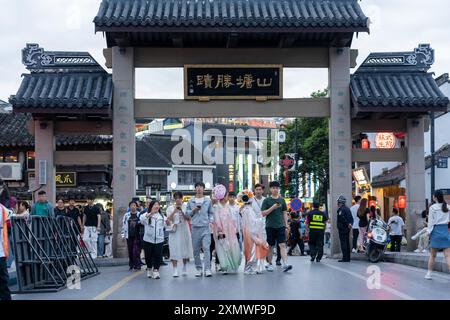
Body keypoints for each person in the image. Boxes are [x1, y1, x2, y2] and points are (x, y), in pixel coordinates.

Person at [261, 181, 292, 272]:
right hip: (270, 226)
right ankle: (269, 264)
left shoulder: (282, 200)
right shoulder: (266, 200)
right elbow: (263, 213)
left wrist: (286, 225)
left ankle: (285, 263)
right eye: (273, 188)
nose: (275, 189)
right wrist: (273, 207)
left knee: (282, 244)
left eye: (276, 188)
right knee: (270, 246)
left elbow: (284, 213)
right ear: (270, 189)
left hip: (280, 226)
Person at [211, 185, 242, 274]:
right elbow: (217, 220)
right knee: (223, 248)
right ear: (223, 196)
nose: (228, 197)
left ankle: (232, 265)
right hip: (222, 231)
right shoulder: (217, 207)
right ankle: (225, 266)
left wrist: (235, 228)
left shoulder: (227, 206)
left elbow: (231, 219)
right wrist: (220, 231)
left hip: (231, 231)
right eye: (227, 195)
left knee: (233, 247)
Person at [186, 182, 214, 277]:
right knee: (196, 250)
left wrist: (210, 221)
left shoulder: (208, 200)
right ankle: (199, 269)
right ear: (195, 189)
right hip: (195, 227)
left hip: (205, 227)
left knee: (206, 248)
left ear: (204, 189)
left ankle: (207, 269)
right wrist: (193, 210)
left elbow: (211, 213)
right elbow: (187, 214)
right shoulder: (190, 201)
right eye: (197, 187)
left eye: (201, 187)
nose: (199, 188)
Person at [240, 190, 269, 275]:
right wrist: (261, 220)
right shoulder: (249, 210)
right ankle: (250, 268)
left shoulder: (244, 209)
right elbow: (253, 222)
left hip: (246, 231)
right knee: (252, 250)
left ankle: (249, 267)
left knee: (249, 249)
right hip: (251, 232)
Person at [166, 191, 194, 277]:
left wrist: (181, 211)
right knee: (174, 248)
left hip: (184, 229)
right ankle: (175, 269)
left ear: (182, 198)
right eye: (176, 198)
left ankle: (184, 267)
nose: (178, 200)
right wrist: (174, 211)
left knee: (184, 247)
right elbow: (168, 220)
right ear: (174, 199)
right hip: (175, 230)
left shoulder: (186, 207)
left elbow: (188, 218)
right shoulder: (170, 208)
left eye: (179, 198)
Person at [425, 190, 450, 280]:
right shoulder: (448, 207)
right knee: (448, 256)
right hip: (445, 231)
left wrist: (429, 233)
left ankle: (429, 274)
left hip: (436, 231)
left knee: (432, 255)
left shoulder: (432, 208)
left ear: (435, 197)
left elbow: (430, 223)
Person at [140, 200, 167, 279]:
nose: (156, 206)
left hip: (159, 240)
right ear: (151, 206)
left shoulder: (161, 216)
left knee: (157, 255)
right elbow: (142, 220)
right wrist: (151, 213)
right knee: (148, 256)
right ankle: (149, 269)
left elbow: (166, 224)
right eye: (155, 205)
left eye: (158, 205)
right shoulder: (146, 214)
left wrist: (169, 222)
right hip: (148, 239)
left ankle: (156, 271)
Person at [122, 201, 142, 270]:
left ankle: (138, 264)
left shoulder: (140, 214)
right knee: (130, 251)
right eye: (131, 205)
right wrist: (123, 236)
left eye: (134, 205)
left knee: (136, 251)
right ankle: (131, 264)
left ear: (136, 206)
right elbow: (123, 226)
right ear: (129, 207)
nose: (133, 206)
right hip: (129, 235)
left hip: (137, 235)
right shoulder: (126, 215)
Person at [82, 195, 101, 259]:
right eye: (87, 199)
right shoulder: (86, 208)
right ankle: (90, 252)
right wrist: (82, 225)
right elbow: (84, 216)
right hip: (87, 225)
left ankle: (94, 254)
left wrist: (98, 226)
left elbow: (99, 216)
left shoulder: (96, 208)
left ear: (92, 200)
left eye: (89, 199)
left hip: (94, 226)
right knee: (85, 239)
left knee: (94, 240)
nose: (88, 201)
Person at [336, 195, 353, 262]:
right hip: (347, 228)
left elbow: (342, 218)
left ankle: (345, 258)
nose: (337, 203)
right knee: (347, 243)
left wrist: (347, 224)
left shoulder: (341, 210)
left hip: (343, 228)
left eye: (338, 202)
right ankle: (348, 257)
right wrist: (350, 224)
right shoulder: (348, 209)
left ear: (340, 202)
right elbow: (351, 218)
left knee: (343, 243)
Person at [0, 202, 11, 300]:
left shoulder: (2, 208)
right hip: (1, 251)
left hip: (1, 250)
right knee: (3, 278)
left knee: (3, 278)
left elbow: (11, 215)